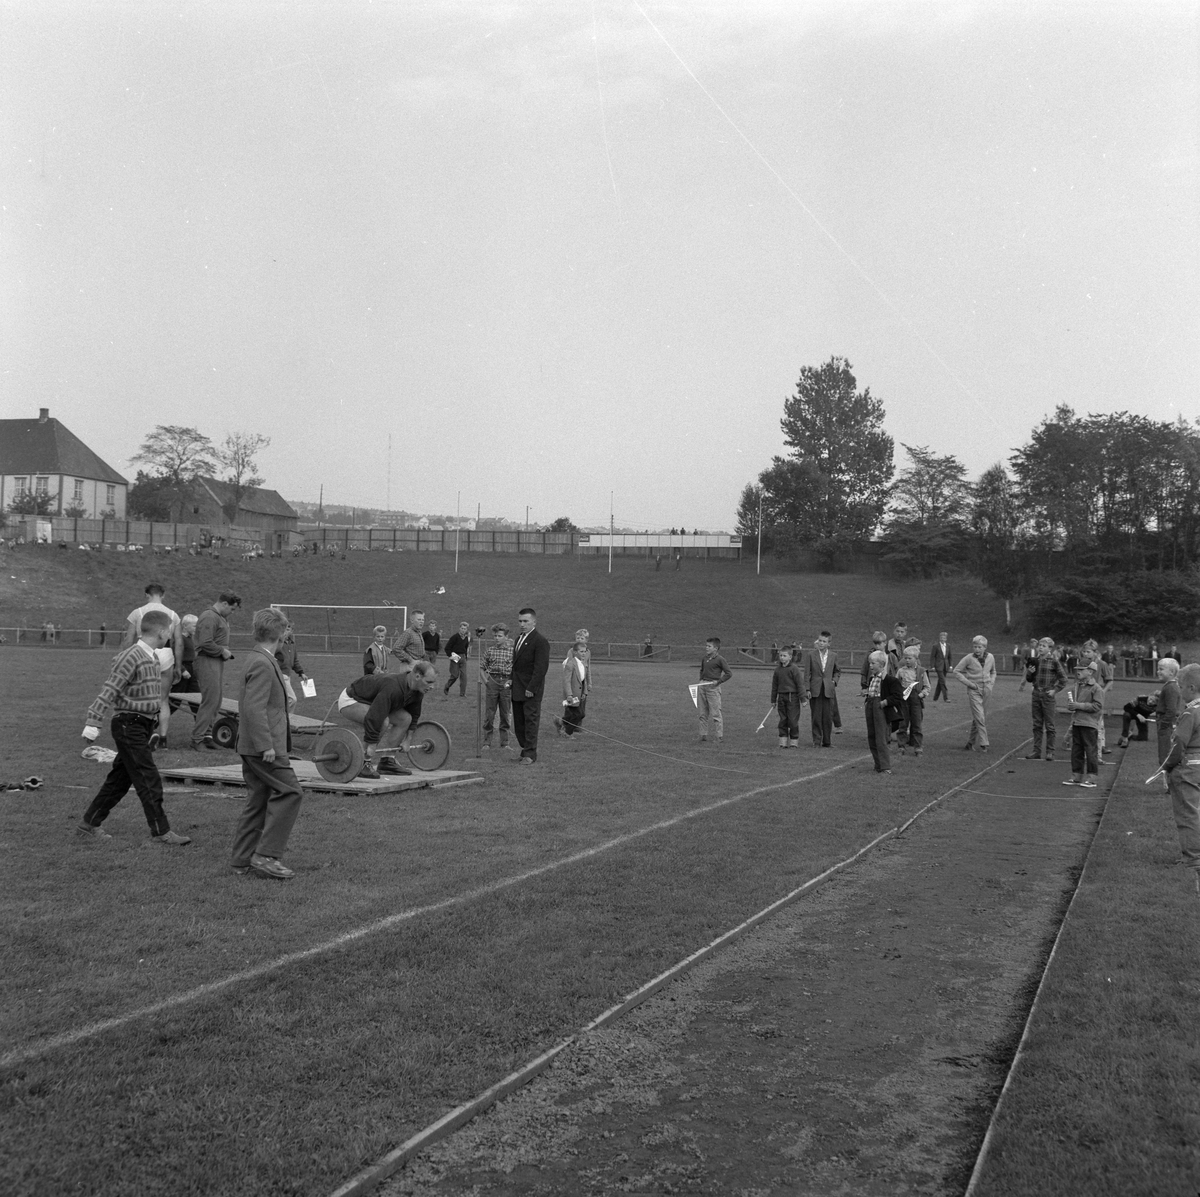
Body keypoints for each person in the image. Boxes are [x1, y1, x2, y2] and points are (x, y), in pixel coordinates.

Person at [77, 609, 190, 845]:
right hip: (129, 725)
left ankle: (89, 824)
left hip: (141, 725)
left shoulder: (153, 657)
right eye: (169, 630)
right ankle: (161, 831)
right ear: (161, 631)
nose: (170, 635)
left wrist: (155, 720)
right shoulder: (131, 656)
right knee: (149, 778)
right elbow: (109, 690)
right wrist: (93, 722)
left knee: (119, 780)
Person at [231, 608, 305, 880]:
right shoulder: (262, 662)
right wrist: (266, 746)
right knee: (290, 792)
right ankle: (266, 855)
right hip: (262, 748)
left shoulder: (261, 657)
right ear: (280, 633)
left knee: (259, 799)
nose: (288, 635)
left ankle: (241, 860)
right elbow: (253, 708)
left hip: (255, 745)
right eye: (286, 630)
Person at [338, 661, 438, 777]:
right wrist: (372, 744)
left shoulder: (418, 691)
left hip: (373, 701)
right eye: (429, 682)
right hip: (351, 699)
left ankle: (387, 761)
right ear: (417, 676)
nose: (432, 687)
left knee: (405, 718)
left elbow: (414, 716)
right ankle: (363, 763)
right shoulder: (393, 687)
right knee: (382, 722)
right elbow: (374, 717)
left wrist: (408, 740)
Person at [123, 582, 183, 742]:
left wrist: (123, 659)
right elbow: (178, 641)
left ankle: (145, 732)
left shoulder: (138, 612)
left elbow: (128, 639)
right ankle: (163, 738)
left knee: (143, 695)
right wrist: (178, 666)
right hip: (166, 654)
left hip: (144, 652)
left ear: (147, 595)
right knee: (163, 699)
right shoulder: (172, 614)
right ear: (163, 595)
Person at [1160, 663, 1200, 872]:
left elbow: (1178, 745)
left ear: (1192, 688)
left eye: (1182, 687)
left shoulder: (1190, 713)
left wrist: (1167, 766)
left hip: (1188, 768)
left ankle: (1192, 858)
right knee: (1197, 811)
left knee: (1187, 814)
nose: (1180, 691)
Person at [191, 592, 241, 750]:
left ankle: (207, 736)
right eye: (232, 609)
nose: (232, 613)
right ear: (224, 603)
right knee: (210, 700)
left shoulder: (220, 617)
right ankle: (197, 739)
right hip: (206, 660)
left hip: (215, 662)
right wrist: (222, 651)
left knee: (216, 700)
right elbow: (205, 642)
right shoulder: (209, 616)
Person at [511, 608, 551, 763]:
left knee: (530, 722)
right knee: (519, 723)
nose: (522, 624)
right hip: (517, 688)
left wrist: (531, 688)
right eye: (520, 621)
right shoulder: (518, 639)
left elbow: (541, 668)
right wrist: (510, 680)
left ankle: (530, 754)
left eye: (525, 621)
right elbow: (515, 665)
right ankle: (524, 750)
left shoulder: (540, 641)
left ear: (534, 622)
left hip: (530, 690)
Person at [1023, 637, 1068, 761]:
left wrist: (1055, 690)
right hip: (1036, 694)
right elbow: (1029, 679)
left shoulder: (1054, 661)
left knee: (1049, 725)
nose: (1041, 647)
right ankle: (1036, 751)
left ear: (1050, 648)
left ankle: (1050, 751)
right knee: (1037, 724)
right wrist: (1030, 672)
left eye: (1044, 646)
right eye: (1040, 645)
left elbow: (1064, 679)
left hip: (1048, 695)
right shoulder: (1034, 660)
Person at [1063, 662, 1103, 788]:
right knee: (1076, 751)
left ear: (1090, 672)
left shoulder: (1096, 688)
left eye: (1081, 669)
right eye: (1077, 669)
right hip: (1077, 722)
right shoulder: (1076, 686)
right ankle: (1076, 776)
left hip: (1089, 724)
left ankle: (1091, 778)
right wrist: (1071, 706)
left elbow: (1098, 706)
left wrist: (1078, 705)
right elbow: (1073, 704)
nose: (1077, 671)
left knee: (1090, 751)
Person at [953, 635, 996, 752]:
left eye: (979, 647)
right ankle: (984, 743)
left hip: (987, 689)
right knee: (980, 716)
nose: (977, 649)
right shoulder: (968, 658)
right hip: (974, 690)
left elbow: (993, 671)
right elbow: (956, 671)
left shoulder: (991, 657)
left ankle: (970, 742)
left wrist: (991, 683)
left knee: (979, 717)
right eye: (975, 647)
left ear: (984, 648)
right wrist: (969, 684)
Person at [480, 623, 514, 750]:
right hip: (492, 681)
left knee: (505, 713)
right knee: (490, 713)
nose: (497, 638)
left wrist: (511, 681)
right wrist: (486, 682)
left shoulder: (512, 651)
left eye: (499, 636)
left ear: (506, 636)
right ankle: (487, 742)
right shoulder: (490, 651)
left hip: (506, 682)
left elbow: (515, 669)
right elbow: (482, 668)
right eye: (495, 636)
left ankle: (505, 743)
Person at [895, 643, 930, 755]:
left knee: (916, 724)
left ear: (916, 659)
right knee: (903, 723)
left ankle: (918, 747)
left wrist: (922, 694)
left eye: (910, 658)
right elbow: (896, 684)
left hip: (916, 700)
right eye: (905, 658)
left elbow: (927, 686)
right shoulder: (901, 671)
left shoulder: (921, 671)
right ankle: (901, 746)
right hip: (903, 700)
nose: (907, 660)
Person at [806, 632, 840, 748]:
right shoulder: (811, 655)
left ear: (829, 643)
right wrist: (807, 689)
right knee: (816, 716)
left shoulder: (833, 656)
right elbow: (806, 674)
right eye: (820, 640)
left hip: (828, 690)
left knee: (828, 716)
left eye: (824, 641)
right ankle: (816, 741)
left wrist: (834, 681)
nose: (821, 643)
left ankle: (827, 741)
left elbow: (837, 671)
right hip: (815, 689)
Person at [770, 644, 806, 748]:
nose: (782, 658)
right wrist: (773, 700)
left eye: (784, 656)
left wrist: (803, 699)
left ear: (790, 657)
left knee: (793, 720)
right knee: (783, 720)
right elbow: (774, 686)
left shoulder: (794, 669)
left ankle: (794, 742)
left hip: (792, 698)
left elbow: (800, 684)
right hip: (781, 697)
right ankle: (783, 741)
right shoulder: (777, 670)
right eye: (780, 655)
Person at [697, 636, 732, 743]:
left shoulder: (720, 660)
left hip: (713, 688)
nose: (706, 648)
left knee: (716, 713)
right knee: (702, 712)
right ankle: (703, 734)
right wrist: (701, 681)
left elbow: (728, 673)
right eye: (706, 646)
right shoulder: (704, 658)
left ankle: (718, 736)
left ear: (715, 648)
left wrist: (718, 681)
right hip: (702, 686)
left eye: (709, 646)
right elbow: (702, 670)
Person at [861, 650, 892, 774]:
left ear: (882, 664)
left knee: (880, 737)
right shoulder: (872, 678)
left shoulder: (887, 679)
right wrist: (867, 694)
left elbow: (896, 695)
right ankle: (878, 764)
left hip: (880, 708)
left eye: (873, 663)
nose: (870, 666)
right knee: (872, 736)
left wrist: (884, 702)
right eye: (870, 663)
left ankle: (885, 766)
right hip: (870, 705)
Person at [554, 637, 591, 737]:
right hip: (572, 695)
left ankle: (561, 722)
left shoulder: (584, 664)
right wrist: (569, 695)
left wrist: (584, 692)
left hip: (580, 694)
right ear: (575, 652)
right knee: (578, 714)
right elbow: (566, 681)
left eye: (585, 651)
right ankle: (567, 732)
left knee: (577, 714)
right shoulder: (570, 664)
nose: (584, 653)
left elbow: (583, 680)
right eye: (581, 651)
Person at [167, 614, 201, 717]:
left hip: (191, 671)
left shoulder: (191, 639)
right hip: (182, 671)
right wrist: (182, 670)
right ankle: (153, 724)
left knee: (197, 699)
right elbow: (174, 656)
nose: (197, 628)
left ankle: (203, 729)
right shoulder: (180, 640)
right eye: (194, 625)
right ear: (185, 626)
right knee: (174, 702)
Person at [443, 621, 472, 697]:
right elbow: (447, 648)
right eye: (462, 628)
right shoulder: (454, 637)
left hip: (463, 657)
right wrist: (450, 656)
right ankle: (447, 686)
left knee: (464, 676)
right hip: (455, 656)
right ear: (459, 628)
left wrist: (465, 656)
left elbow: (465, 648)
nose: (463, 630)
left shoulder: (466, 638)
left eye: (465, 629)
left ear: (466, 630)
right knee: (455, 675)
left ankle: (462, 693)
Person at [930, 632, 953, 703]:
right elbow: (932, 657)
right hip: (938, 666)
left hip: (945, 666)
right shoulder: (935, 646)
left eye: (944, 638)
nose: (942, 639)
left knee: (940, 682)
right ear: (939, 638)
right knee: (942, 681)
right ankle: (946, 698)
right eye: (941, 637)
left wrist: (951, 665)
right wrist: (932, 666)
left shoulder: (948, 646)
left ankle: (935, 698)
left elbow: (950, 657)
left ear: (946, 639)